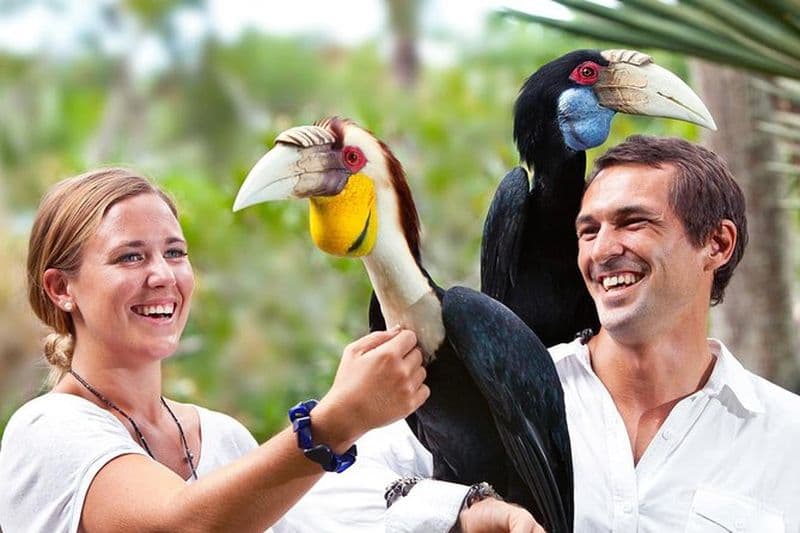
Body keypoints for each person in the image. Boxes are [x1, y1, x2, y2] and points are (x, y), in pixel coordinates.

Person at [274, 135, 800, 532]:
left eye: (634, 222)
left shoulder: (786, 436)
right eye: (588, 231)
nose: (602, 249)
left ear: (717, 244)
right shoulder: (508, 378)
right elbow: (316, 501)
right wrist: (461, 509)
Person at [0, 167, 430, 533]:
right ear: (61, 288)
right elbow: (182, 525)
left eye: (174, 252)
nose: (163, 275)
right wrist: (334, 423)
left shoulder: (223, 438)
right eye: (130, 257)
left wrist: (456, 509)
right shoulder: (46, 431)